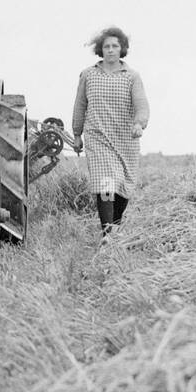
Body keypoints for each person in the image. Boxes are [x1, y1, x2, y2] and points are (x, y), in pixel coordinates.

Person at [71, 25, 149, 237]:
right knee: (105, 183)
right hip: (98, 137)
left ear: (122, 49)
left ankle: (114, 226)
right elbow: (80, 105)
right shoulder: (88, 75)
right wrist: (77, 134)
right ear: (100, 49)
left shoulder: (132, 76)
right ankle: (107, 233)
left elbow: (141, 104)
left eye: (115, 46)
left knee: (123, 187)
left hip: (126, 138)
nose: (111, 50)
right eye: (107, 46)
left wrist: (139, 124)